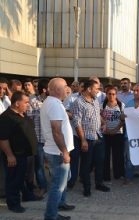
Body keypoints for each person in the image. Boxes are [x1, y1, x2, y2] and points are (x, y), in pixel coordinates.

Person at [41, 78, 75, 220]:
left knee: (64, 179)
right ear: (56, 89)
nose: (68, 89)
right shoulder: (54, 105)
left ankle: (61, 203)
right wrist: (65, 152)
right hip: (58, 152)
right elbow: (56, 131)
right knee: (58, 185)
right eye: (65, 87)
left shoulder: (54, 103)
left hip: (57, 150)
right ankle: (51, 215)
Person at [0, 91, 37, 213]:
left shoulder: (21, 114)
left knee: (25, 178)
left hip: (27, 154)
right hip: (15, 156)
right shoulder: (6, 117)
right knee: (14, 180)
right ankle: (14, 203)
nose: (28, 105)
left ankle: (28, 195)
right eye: (26, 102)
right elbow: (3, 139)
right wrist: (10, 156)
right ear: (17, 103)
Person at [71, 79, 110, 197]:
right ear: (89, 89)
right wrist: (83, 140)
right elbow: (77, 123)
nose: (98, 91)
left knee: (100, 162)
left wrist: (103, 123)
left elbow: (97, 115)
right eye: (96, 89)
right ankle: (86, 188)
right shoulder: (78, 102)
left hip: (98, 136)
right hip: (87, 138)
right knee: (86, 164)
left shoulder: (96, 100)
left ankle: (99, 183)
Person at [101, 86, 125, 181]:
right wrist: (105, 128)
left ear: (116, 95)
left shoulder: (121, 105)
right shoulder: (102, 104)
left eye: (113, 94)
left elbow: (123, 120)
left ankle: (118, 174)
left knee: (118, 155)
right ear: (106, 94)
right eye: (109, 94)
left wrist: (115, 129)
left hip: (118, 133)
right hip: (105, 133)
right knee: (105, 156)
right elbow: (99, 117)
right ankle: (106, 176)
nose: (111, 96)